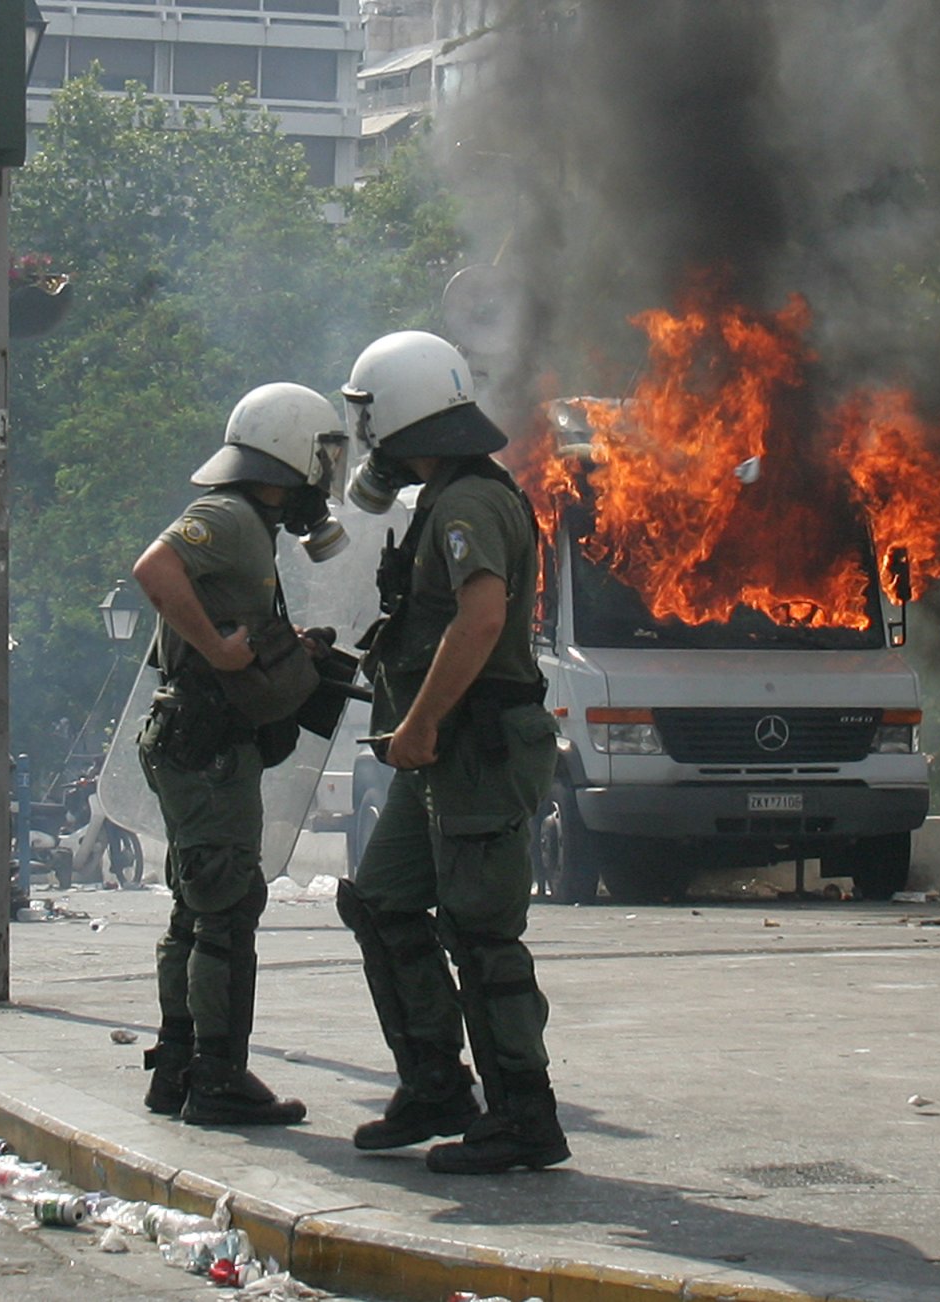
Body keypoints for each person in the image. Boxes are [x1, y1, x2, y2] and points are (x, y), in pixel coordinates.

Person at [335, 329, 566, 1175]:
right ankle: (434, 1083)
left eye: (370, 416)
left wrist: (422, 724)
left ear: (401, 414)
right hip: (437, 753)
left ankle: (525, 1118)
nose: (366, 437)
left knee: (481, 933)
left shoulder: (467, 503)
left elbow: (482, 618)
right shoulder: (446, 498)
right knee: (383, 901)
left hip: (473, 748)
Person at [132, 381, 349, 1126]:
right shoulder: (227, 516)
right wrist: (221, 651)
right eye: (321, 458)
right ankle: (218, 1076)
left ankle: (180, 1068)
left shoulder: (250, 526)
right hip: (208, 745)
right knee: (226, 905)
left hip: (208, 744)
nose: (326, 477)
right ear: (288, 455)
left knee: (200, 906)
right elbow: (154, 569)